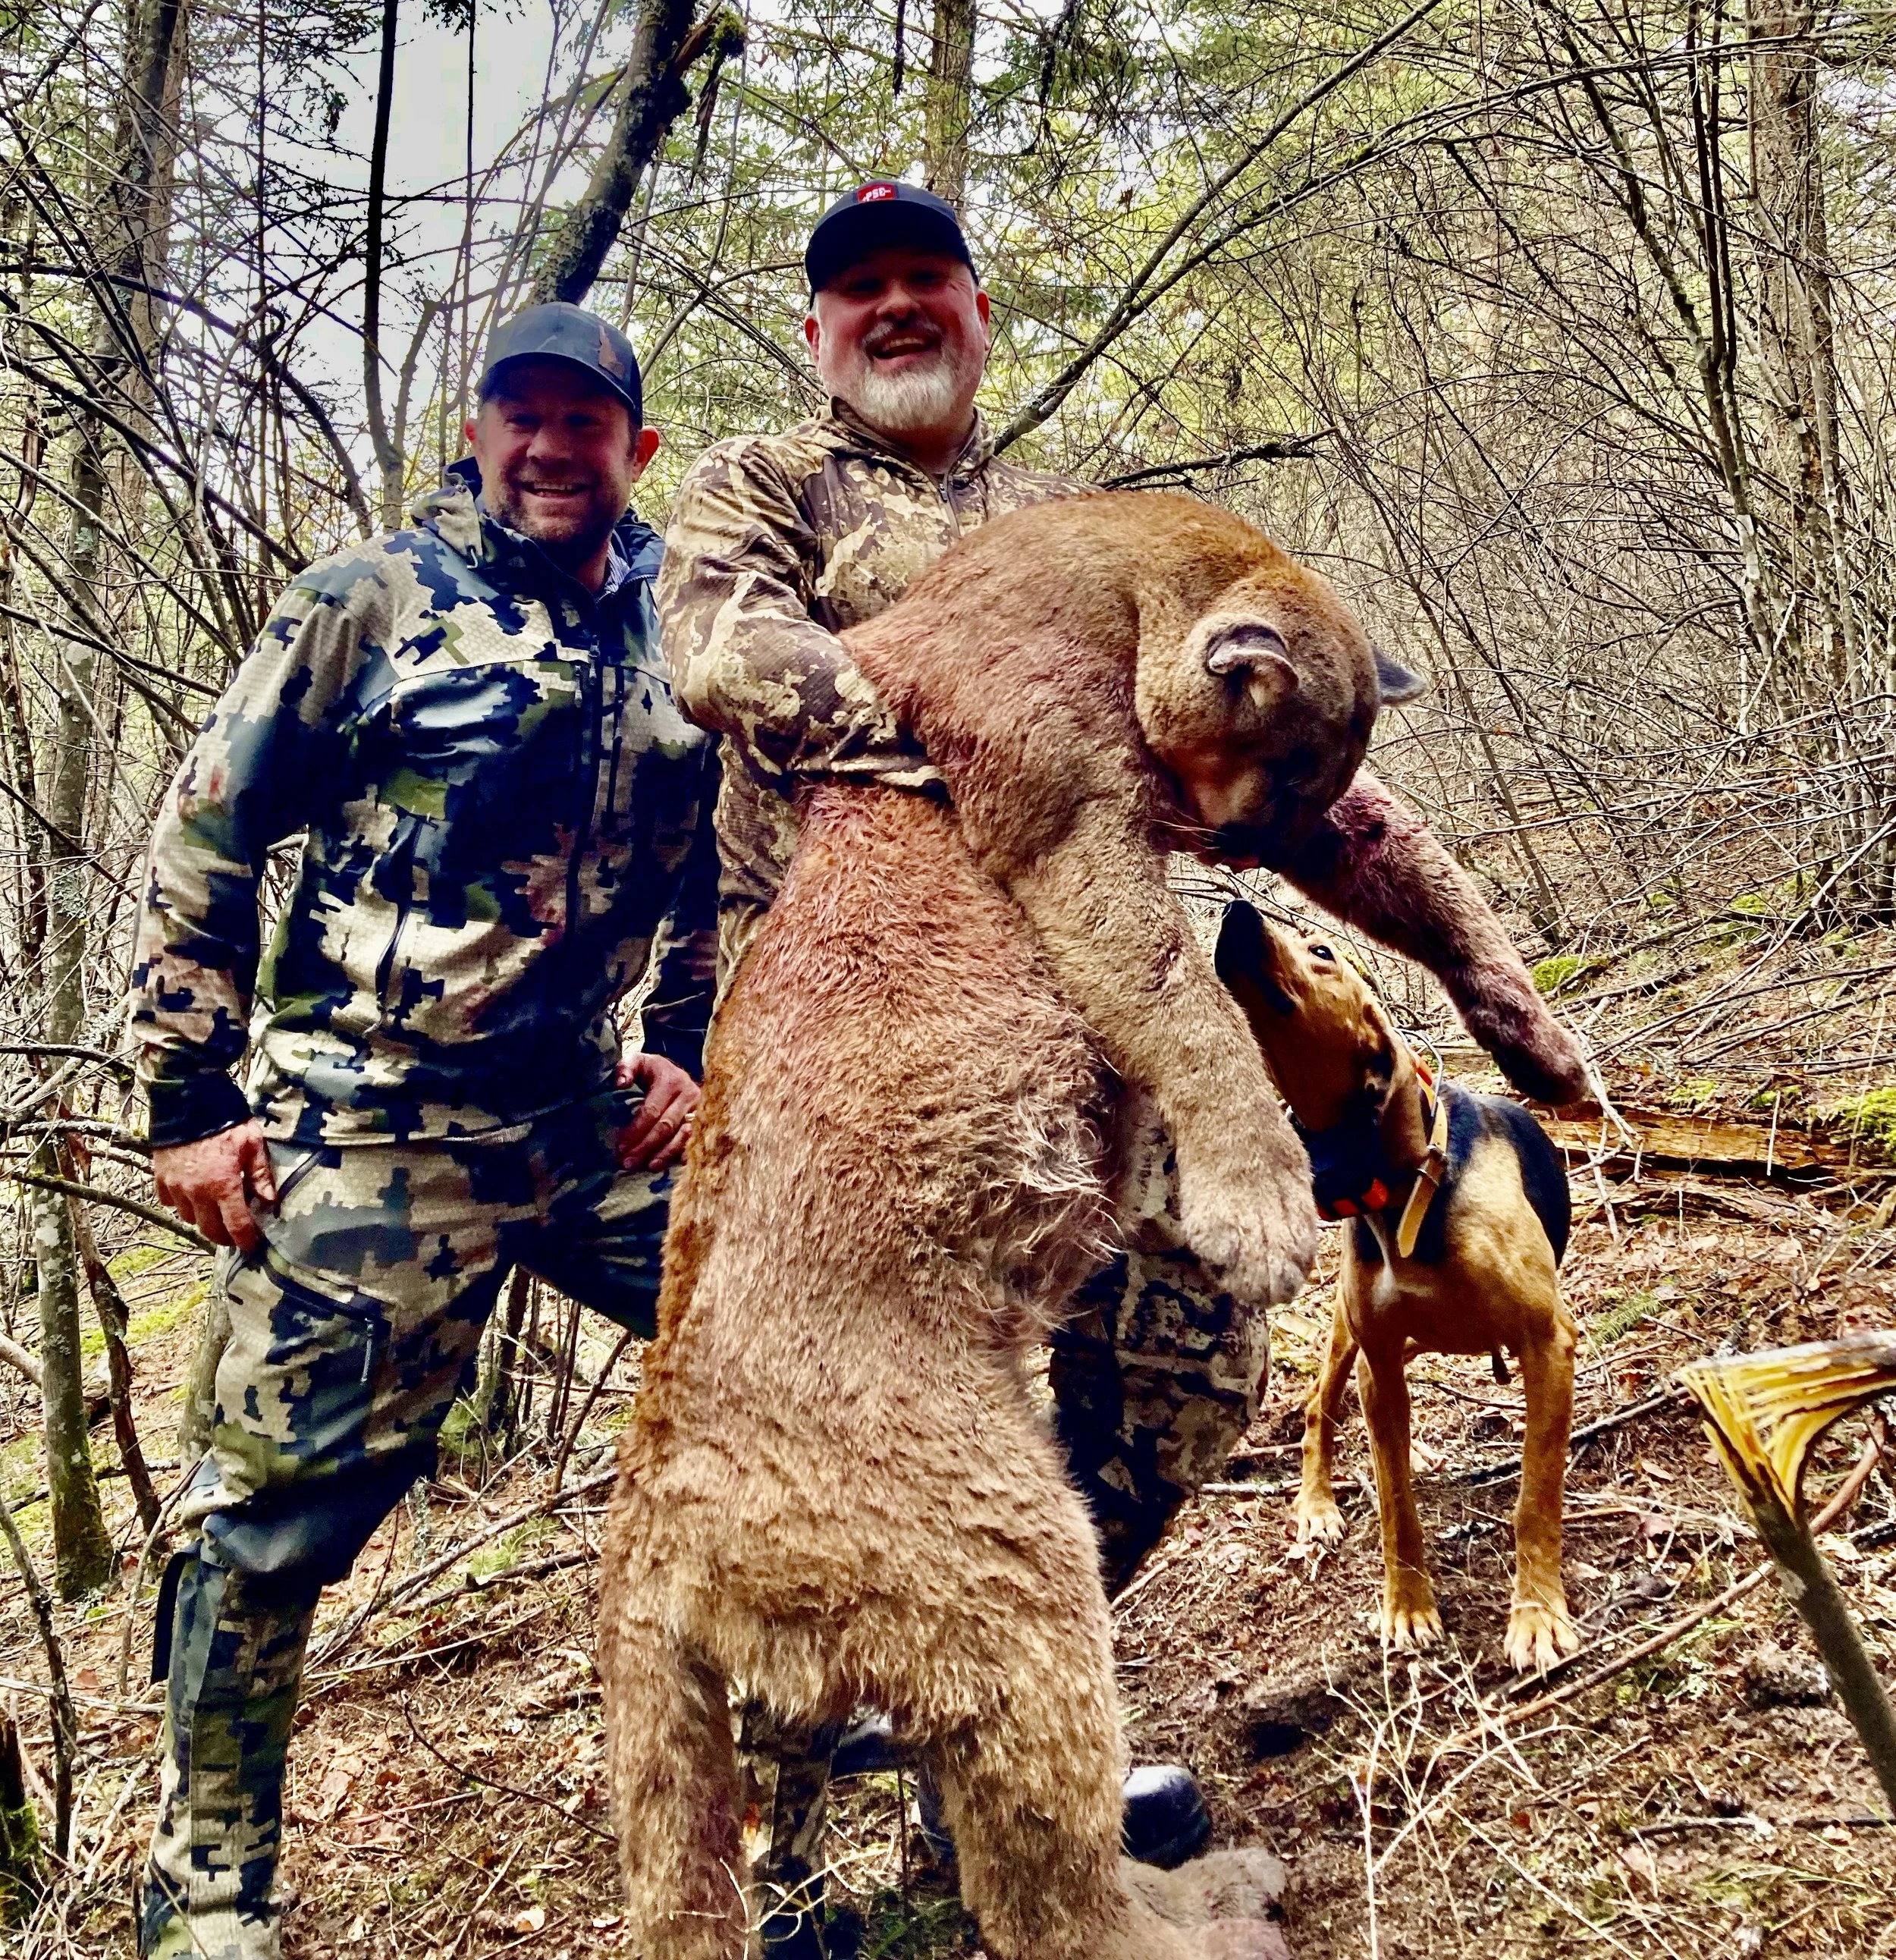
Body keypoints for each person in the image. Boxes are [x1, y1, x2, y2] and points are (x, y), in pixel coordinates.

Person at [657, 181, 1589, 1929]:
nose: (894, 310)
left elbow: (1303, 781)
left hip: (1095, 1044)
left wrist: (1487, 975)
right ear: (815, 331)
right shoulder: (762, 487)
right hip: (860, 1043)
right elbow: (722, 652)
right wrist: (994, 742)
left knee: (1188, 1359)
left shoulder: (1084, 526)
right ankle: (793, 1816)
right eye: (857, 291)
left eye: (924, 278)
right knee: (850, 1415)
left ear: (978, 304)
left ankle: (993, 1750)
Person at [130, 302, 718, 1960]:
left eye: (584, 422)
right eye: (518, 415)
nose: (549, 446)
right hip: (374, 1136)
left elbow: (711, 864)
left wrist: (678, 1045)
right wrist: (187, 1105)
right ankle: (210, 1899)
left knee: (810, 1352)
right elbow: (206, 841)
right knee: (263, 1520)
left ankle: (847, 1770)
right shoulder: (372, 602)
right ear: (474, 432)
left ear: (633, 448)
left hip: (580, 1124)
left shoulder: (680, 618)